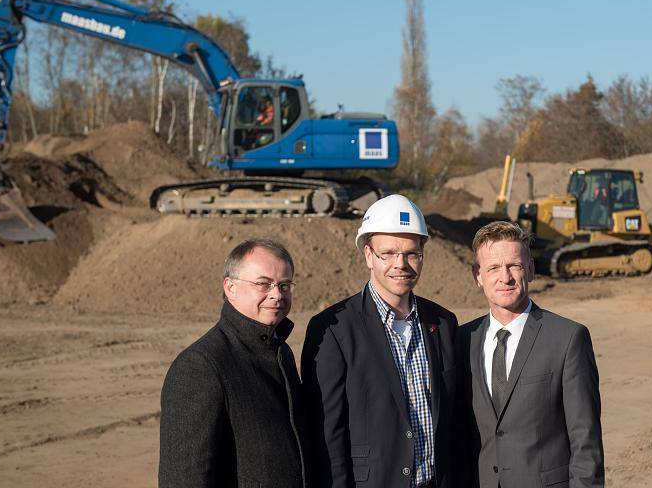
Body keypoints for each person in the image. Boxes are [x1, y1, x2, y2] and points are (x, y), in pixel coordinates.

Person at [302, 194, 460, 488]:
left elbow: (453, 420)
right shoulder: (333, 329)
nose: (401, 264)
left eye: (412, 253)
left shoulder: (443, 323)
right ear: (368, 256)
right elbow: (327, 435)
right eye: (388, 253)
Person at [459, 221, 604, 488]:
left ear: (531, 269)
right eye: (493, 268)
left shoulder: (568, 338)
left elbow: (586, 441)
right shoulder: (461, 340)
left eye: (514, 265)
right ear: (477, 276)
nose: (505, 277)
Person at [159, 238, 309, 488]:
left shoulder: (280, 352)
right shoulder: (200, 366)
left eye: (284, 285)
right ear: (230, 287)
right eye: (263, 284)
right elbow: (184, 479)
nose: (276, 295)